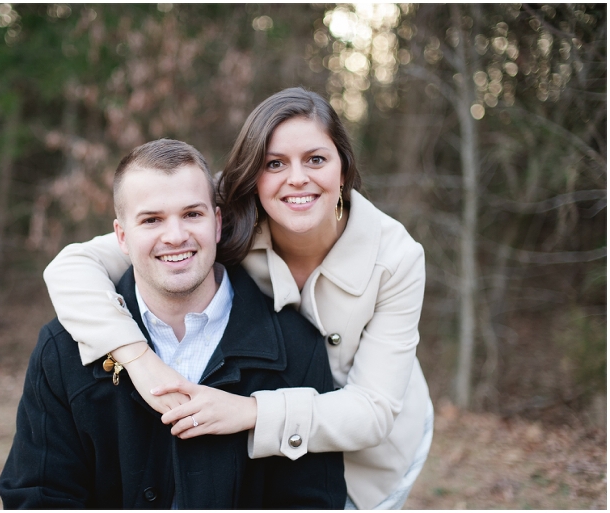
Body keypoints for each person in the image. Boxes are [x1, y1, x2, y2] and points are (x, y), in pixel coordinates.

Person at [43, 88, 433, 509]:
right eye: (275, 163)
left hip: (369, 452)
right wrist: (138, 360)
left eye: (316, 159)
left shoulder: (396, 258)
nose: (298, 178)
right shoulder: (217, 217)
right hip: (266, 457)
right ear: (253, 175)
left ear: (343, 169)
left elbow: (373, 412)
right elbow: (73, 268)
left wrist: (250, 413)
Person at [0, 138, 346, 509]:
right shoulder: (63, 348)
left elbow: (314, 502)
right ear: (122, 237)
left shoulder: (297, 346)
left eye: (192, 214)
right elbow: (37, 497)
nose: (175, 236)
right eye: (152, 220)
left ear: (216, 223)